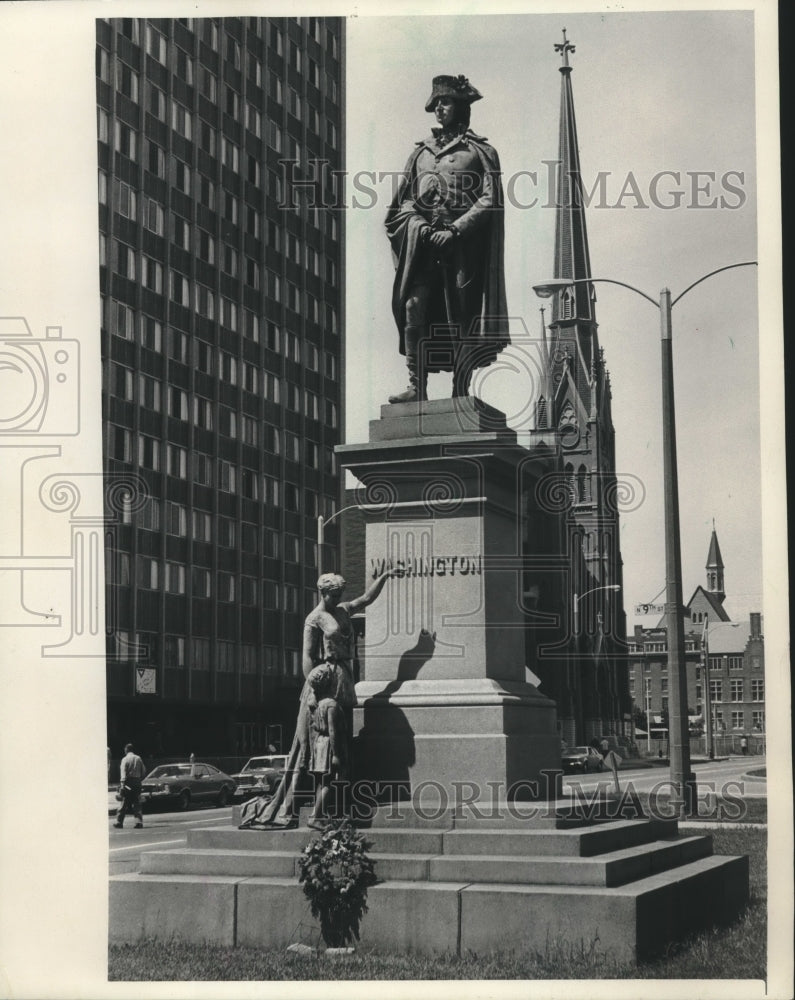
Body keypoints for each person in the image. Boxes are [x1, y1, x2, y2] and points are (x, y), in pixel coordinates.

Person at [385, 74, 509, 403]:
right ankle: (416, 385)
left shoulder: (479, 151)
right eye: (436, 104)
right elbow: (404, 200)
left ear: (461, 107)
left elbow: (489, 199)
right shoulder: (421, 154)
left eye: (446, 102)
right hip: (424, 244)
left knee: (462, 317)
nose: (440, 108)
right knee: (414, 307)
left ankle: (460, 388)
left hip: (462, 247)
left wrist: (456, 230)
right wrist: (417, 224)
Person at [240, 569, 394, 829]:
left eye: (339, 595)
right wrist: (315, 688)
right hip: (324, 679)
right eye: (333, 595)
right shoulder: (314, 619)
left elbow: (366, 599)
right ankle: (301, 804)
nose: (337, 599)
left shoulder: (343, 610)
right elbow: (307, 658)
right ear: (322, 593)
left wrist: (385, 576)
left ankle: (337, 799)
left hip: (344, 675)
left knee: (341, 734)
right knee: (313, 741)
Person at [113, 743, 145, 829]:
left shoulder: (125, 759)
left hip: (128, 783)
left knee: (124, 802)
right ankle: (138, 822)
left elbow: (123, 772)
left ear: (126, 750)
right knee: (136, 803)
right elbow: (143, 771)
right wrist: (138, 779)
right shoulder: (138, 758)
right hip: (137, 782)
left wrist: (122, 784)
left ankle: (119, 822)